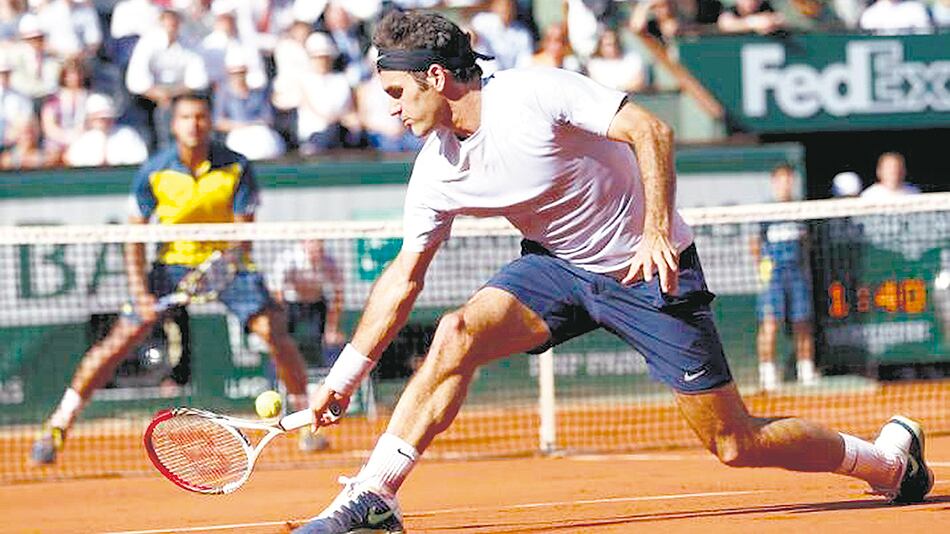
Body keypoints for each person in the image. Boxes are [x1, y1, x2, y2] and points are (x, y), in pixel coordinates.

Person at [294, 11, 934, 533]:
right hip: (559, 268)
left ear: (436, 77)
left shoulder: (536, 92)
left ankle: (884, 463)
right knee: (457, 333)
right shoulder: (435, 170)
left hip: (648, 270)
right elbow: (406, 276)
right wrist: (345, 377)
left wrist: (656, 228)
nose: (392, 111)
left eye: (398, 94)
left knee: (734, 443)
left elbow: (649, 129)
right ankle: (375, 497)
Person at [30, 92, 322, 465]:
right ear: (174, 124)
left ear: (210, 121)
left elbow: (243, 232)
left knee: (273, 330)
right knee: (120, 339)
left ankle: (305, 422)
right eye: (186, 117)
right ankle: (58, 425)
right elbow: (133, 237)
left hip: (228, 265)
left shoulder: (237, 167)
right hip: (171, 268)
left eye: (201, 117)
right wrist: (140, 291)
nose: (194, 124)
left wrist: (223, 265)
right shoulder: (155, 169)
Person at [750, 164, 818, 392]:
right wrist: (764, 269)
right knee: (770, 323)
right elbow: (755, 244)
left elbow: (806, 243)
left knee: (802, 324)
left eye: (789, 179)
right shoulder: (766, 212)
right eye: (781, 180)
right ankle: (767, 374)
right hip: (774, 276)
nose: (785, 184)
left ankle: (806, 371)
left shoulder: (800, 210)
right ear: (774, 182)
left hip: (797, 274)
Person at [270, 239, 346, 367]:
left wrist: (332, 328)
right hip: (290, 304)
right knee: (280, 341)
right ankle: (277, 373)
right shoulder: (288, 259)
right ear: (303, 244)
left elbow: (338, 295)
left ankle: (325, 374)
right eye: (312, 243)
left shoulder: (329, 263)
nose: (316, 247)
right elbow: (278, 294)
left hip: (317, 305)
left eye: (319, 244)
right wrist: (279, 324)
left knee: (327, 341)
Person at [63, 92, 148, 167]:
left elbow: (139, 161)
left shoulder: (127, 135)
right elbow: (73, 164)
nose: (104, 121)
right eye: (99, 118)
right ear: (90, 119)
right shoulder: (82, 140)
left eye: (106, 117)